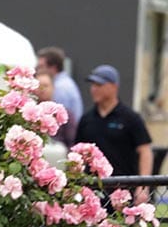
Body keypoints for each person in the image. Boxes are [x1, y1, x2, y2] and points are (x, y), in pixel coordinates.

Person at [75, 64, 153, 203]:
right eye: (93, 85)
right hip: (93, 193)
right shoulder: (86, 119)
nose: (94, 89)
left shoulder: (130, 118)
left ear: (114, 87)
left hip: (125, 191)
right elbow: (77, 154)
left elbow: (145, 151)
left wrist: (143, 187)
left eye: (99, 85)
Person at [36, 47, 83, 144]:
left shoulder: (61, 87)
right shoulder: (67, 83)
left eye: (41, 66)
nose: (38, 69)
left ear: (53, 67)